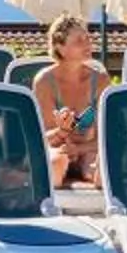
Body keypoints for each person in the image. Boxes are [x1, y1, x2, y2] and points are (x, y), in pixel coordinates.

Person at [36, 15, 107, 189]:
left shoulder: (100, 80)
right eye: (78, 41)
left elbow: (106, 136)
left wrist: (79, 150)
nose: (87, 44)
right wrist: (62, 131)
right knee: (55, 163)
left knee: (102, 170)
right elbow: (41, 139)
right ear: (60, 48)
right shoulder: (45, 81)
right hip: (58, 150)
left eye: (87, 39)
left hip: (88, 150)